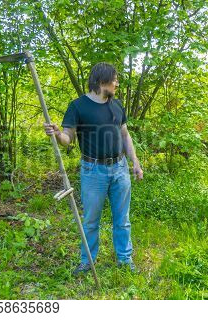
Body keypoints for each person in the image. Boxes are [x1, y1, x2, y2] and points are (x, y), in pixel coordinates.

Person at [44, 62, 143, 275]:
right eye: (114, 79)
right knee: (90, 221)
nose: (117, 83)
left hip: (119, 168)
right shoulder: (78, 106)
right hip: (93, 171)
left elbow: (125, 135)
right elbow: (67, 138)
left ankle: (125, 260)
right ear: (101, 81)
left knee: (122, 220)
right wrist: (57, 133)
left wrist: (135, 161)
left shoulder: (116, 105)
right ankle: (87, 261)